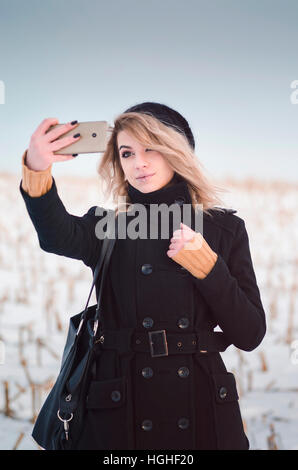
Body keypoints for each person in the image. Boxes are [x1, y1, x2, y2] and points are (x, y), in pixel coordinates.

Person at [19, 102, 266, 450]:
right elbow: (55, 235)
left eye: (151, 148)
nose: (139, 163)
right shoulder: (109, 227)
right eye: (127, 153)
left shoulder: (224, 228)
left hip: (200, 406)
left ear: (177, 152)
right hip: (119, 407)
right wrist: (37, 167)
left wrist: (208, 268)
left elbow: (250, 333)